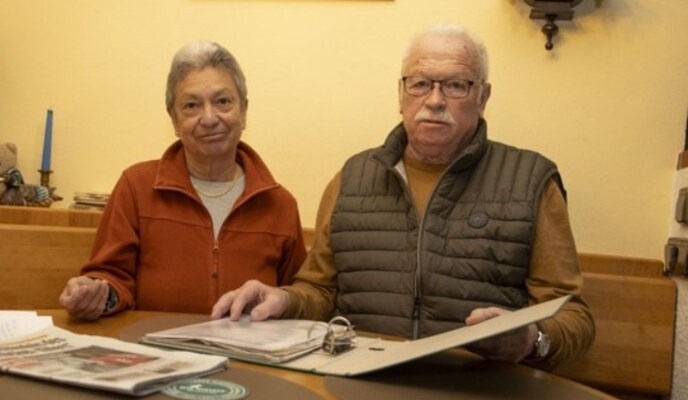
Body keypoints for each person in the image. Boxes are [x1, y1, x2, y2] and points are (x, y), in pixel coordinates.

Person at [212, 24, 595, 370]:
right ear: (400, 93)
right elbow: (321, 290)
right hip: (360, 386)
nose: (435, 100)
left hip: (482, 395)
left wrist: (531, 341)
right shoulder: (353, 177)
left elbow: (573, 316)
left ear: (483, 97)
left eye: (457, 85)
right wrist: (283, 300)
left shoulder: (529, 181)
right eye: (420, 83)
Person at [59, 41, 307, 320]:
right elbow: (112, 277)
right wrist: (96, 294)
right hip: (154, 355)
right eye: (191, 106)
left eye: (223, 101)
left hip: (248, 359)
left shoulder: (279, 203)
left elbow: (298, 297)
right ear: (174, 120)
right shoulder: (136, 186)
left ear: (244, 111)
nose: (210, 118)